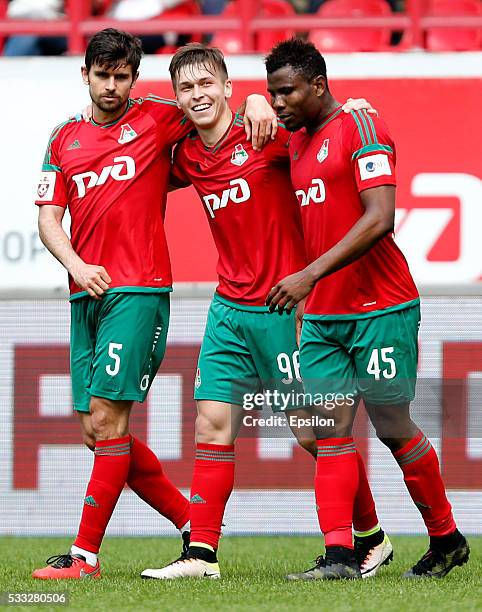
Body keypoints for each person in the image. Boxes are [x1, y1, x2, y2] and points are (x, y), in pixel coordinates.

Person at [141, 43, 392, 581]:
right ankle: (200, 554)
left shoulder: (268, 134)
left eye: (207, 84)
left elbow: (328, 135)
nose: (198, 95)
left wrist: (356, 110)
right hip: (229, 307)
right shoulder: (186, 157)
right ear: (179, 100)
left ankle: (369, 539)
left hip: (284, 305)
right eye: (187, 89)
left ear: (228, 88)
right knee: (212, 424)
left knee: (312, 433)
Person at [31, 28, 276, 580]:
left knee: (107, 419)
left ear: (133, 79)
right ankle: (193, 523)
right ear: (85, 74)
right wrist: (76, 265)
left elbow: (214, 108)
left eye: (123, 76)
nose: (113, 86)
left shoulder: (158, 117)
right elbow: (49, 216)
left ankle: (84, 557)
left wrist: (258, 98)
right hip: (85, 292)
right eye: (103, 75)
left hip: (139, 290)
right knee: (96, 432)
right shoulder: (63, 139)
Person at [265, 38, 469, 580]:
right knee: (327, 429)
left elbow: (381, 217)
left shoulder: (362, 127)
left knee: (391, 424)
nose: (279, 103)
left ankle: (446, 537)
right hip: (326, 317)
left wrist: (308, 274)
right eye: (272, 94)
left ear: (319, 86)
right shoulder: (296, 143)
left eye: (287, 92)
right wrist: (254, 105)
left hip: (382, 306)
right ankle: (341, 555)